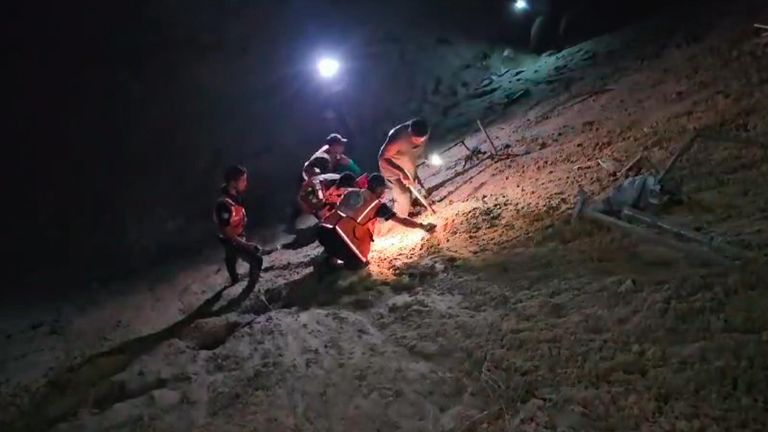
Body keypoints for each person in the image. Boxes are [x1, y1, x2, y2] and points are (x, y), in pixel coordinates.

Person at [318, 173, 436, 270]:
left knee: (339, 244)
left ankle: (330, 256)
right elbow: (402, 220)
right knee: (360, 264)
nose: (384, 192)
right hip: (342, 239)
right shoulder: (376, 205)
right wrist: (422, 226)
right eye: (383, 189)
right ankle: (334, 264)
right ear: (379, 188)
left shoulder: (351, 192)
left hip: (323, 231)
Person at [213, 165, 264, 286]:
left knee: (231, 256)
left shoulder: (235, 196)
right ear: (232, 183)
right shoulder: (224, 204)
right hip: (230, 238)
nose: (246, 183)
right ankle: (251, 287)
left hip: (236, 234)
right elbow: (227, 232)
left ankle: (234, 278)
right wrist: (246, 244)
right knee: (256, 259)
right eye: (243, 180)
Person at [377, 118, 430, 218]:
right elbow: (382, 158)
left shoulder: (423, 131)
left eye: (421, 139)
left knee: (412, 185)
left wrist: (425, 155)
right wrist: (401, 172)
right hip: (391, 169)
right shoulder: (398, 139)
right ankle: (402, 217)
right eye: (415, 139)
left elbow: (422, 145)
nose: (418, 142)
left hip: (406, 164)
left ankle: (413, 203)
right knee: (403, 194)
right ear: (410, 132)